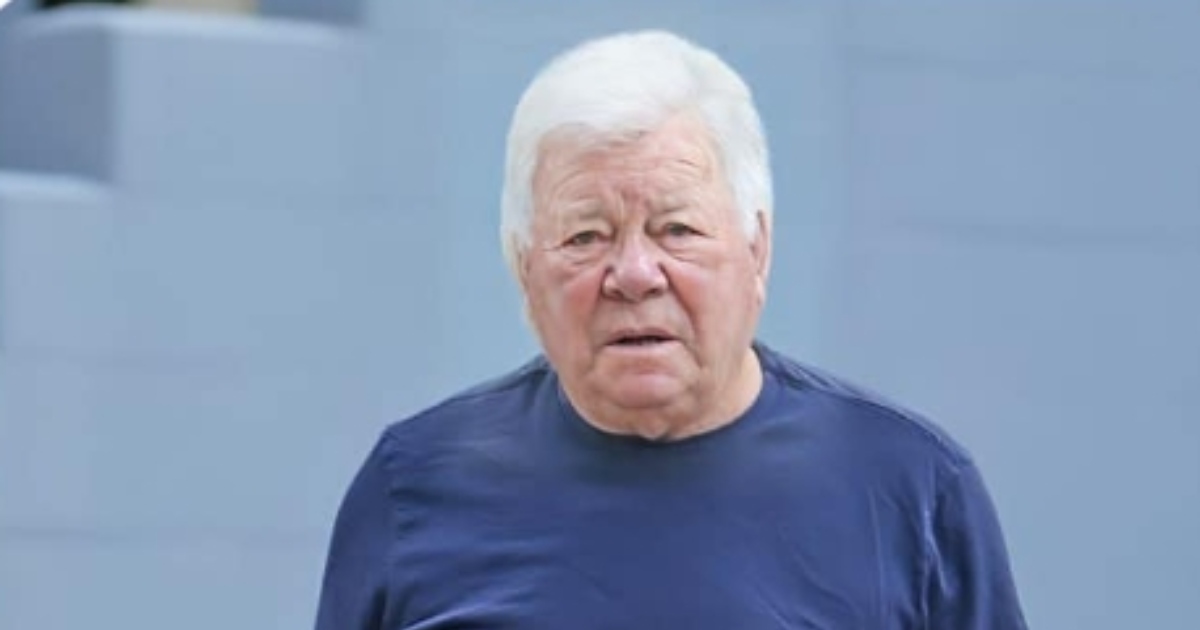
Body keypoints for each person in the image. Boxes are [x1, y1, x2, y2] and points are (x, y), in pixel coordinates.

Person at [315, 29, 1028, 629]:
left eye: (677, 229)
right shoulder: (413, 487)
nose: (634, 274)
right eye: (586, 236)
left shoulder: (912, 494)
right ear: (525, 270)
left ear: (757, 250)